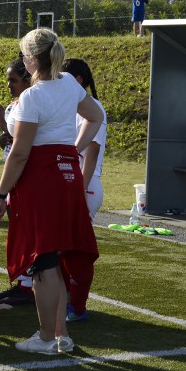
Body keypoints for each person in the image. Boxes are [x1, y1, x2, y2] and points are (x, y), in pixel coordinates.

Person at [0, 28, 103, 355]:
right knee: (53, 260)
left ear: (31, 58)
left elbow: (19, 153)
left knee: (43, 261)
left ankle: (45, 336)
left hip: (41, 179)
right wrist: (72, 149)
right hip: (65, 176)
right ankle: (60, 334)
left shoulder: (33, 96)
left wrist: (0, 195)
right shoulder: (68, 82)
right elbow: (95, 115)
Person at [61, 57, 107, 323]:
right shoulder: (74, 107)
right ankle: (65, 298)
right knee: (62, 246)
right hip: (73, 184)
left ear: (78, 81)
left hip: (85, 186)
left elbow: (92, 152)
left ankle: (77, 306)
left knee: (77, 251)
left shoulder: (93, 108)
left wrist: (78, 190)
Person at [0, 56, 35, 306]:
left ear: (27, 81)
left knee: (27, 233)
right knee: (18, 231)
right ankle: (22, 281)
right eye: (8, 80)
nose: (9, 85)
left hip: (25, 173)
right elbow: (11, 138)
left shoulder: (31, 102)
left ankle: (28, 285)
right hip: (13, 172)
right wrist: (4, 135)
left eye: (14, 80)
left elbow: (24, 142)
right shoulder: (14, 105)